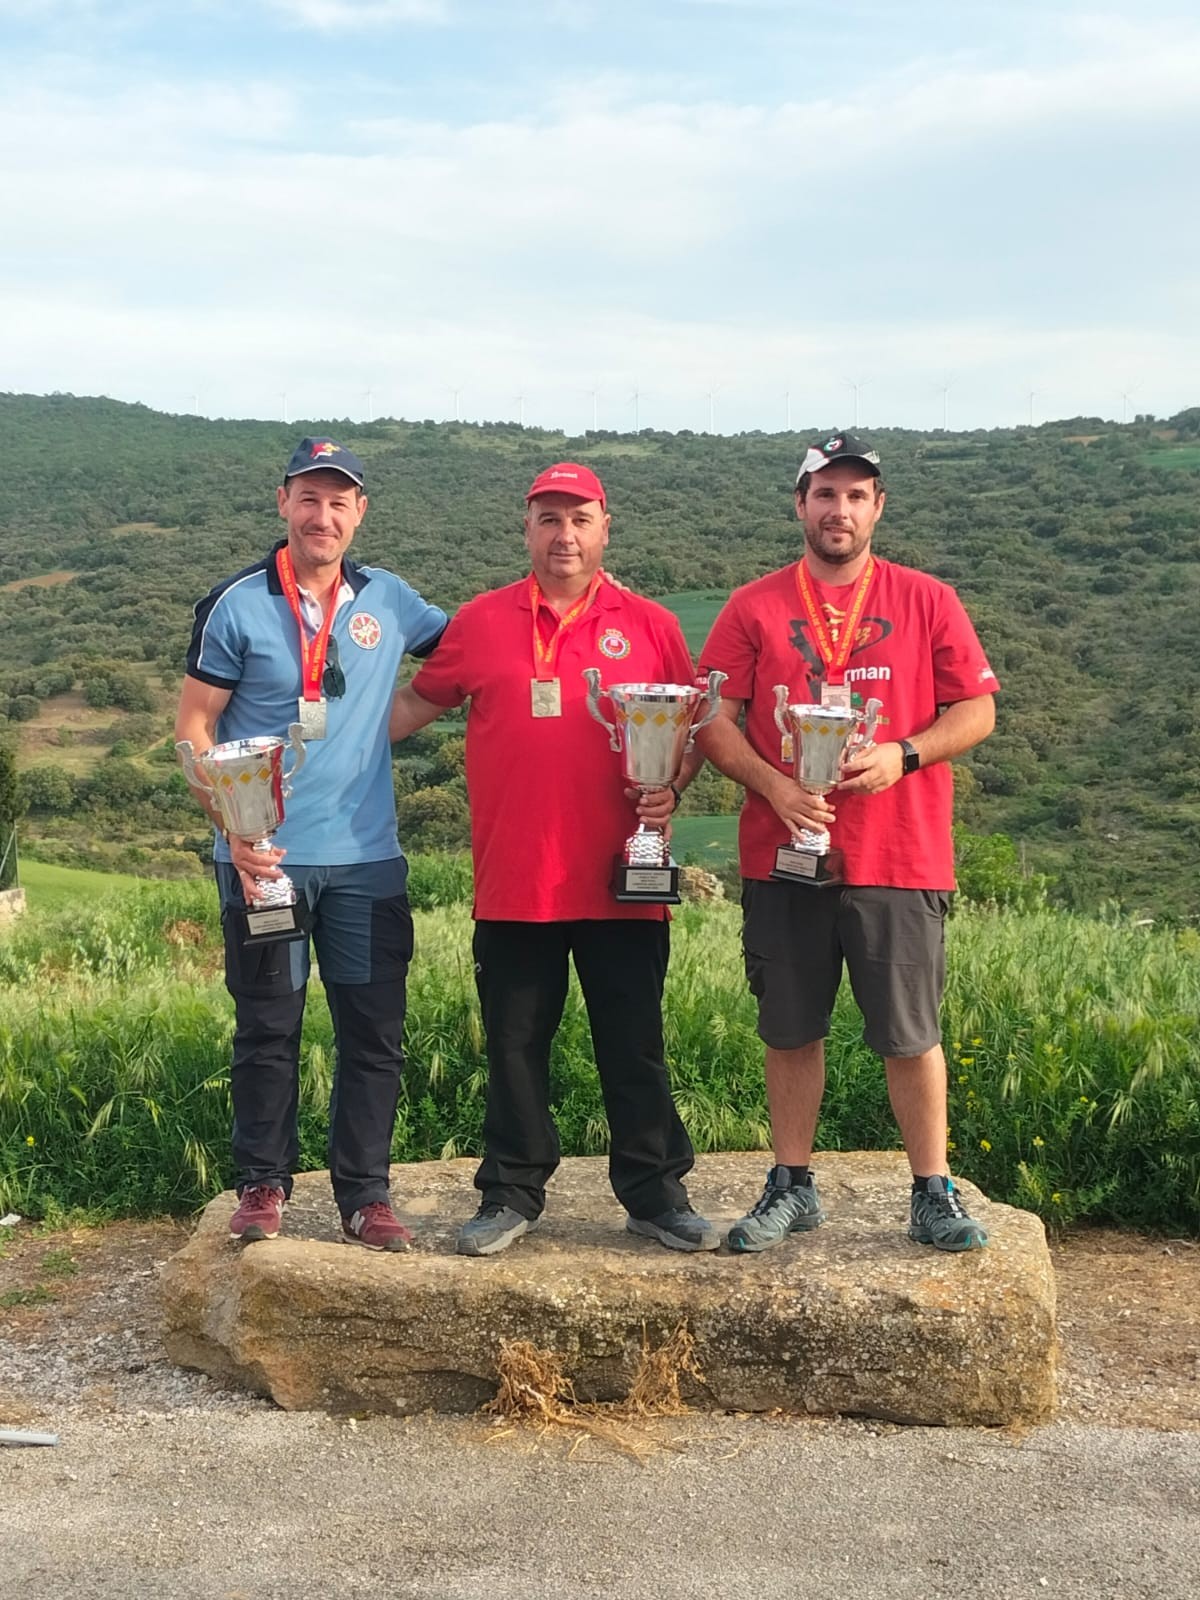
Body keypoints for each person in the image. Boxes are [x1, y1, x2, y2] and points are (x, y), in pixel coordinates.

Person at [388, 462, 718, 1256]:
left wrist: (671, 783)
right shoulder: (480, 620)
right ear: (525, 527)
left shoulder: (650, 624)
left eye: (579, 519)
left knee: (634, 1042)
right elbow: (408, 709)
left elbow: (692, 730)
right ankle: (510, 1193)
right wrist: (312, 731)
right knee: (512, 1044)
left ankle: (654, 1193)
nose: (563, 535)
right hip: (516, 877)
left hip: (624, 875)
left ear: (605, 527)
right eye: (548, 519)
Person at [695, 431, 999, 1253]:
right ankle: (792, 1184)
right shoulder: (753, 605)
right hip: (782, 851)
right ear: (800, 505)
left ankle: (931, 1191)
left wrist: (904, 755)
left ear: (877, 507)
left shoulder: (927, 598)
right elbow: (713, 720)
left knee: (911, 1032)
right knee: (789, 1029)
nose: (840, 509)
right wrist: (776, 787)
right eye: (824, 493)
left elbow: (976, 710)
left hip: (900, 855)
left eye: (856, 494)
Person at [175, 437, 447, 1251]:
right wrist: (230, 824)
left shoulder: (392, 600)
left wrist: (402, 718)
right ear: (283, 503)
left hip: (366, 864)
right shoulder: (236, 603)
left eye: (340, 500)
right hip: (265, 864)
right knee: (266, 1028)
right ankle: (261, 1186)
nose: (322, 515)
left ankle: (364, 1196)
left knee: (373, 1033)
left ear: (359, 513)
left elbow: (467, 662)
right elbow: (193, 724)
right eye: (309, 497)